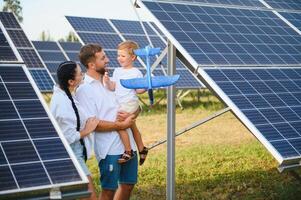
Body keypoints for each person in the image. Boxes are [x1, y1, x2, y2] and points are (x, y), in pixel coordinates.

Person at [76, 43, 138, 200]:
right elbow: (93, 123)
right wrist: (121, 125)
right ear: (91, 64)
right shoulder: (84, 89)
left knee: (128, 185)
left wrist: (134, 113)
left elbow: (133, 103)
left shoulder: (112, 81)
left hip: (129, 144)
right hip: (109, 148)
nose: (108, 60)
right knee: (109, 190)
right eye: (103, 58)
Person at [50, 61, 99, 200]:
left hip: (75, 153)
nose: (83, 74)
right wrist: (88, 130)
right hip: (70, 155)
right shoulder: (61, 103)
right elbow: (67, 136)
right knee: (90, 196)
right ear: (71, 81)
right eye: (79, 73)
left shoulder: (67, 95)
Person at [103, 40, 148, 165]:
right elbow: (113, 87)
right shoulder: (117, 71)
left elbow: (139, 90)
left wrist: (146, 86)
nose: (119, 58)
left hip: (130, 103)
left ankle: (128, 151)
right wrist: (107, 81)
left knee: (119, 124)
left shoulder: (136, 72)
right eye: (118, 55)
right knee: (132, 126)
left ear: (133, 57)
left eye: (123, 56)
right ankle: (142, 148)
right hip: (121, 103)